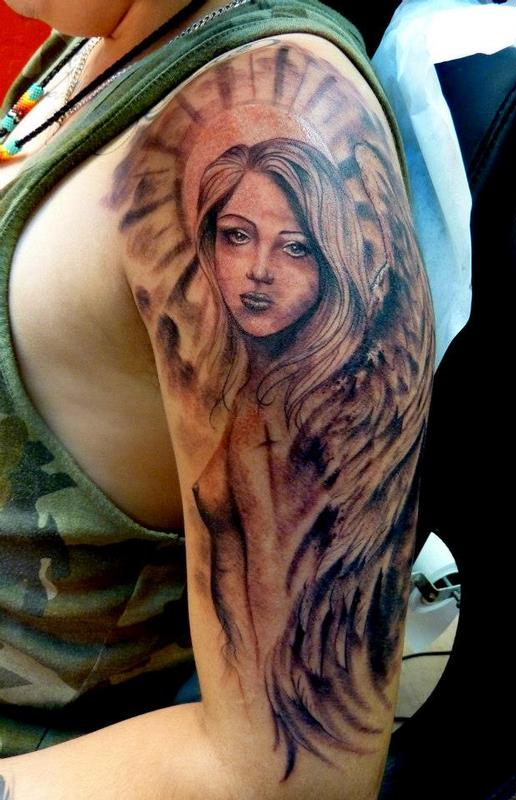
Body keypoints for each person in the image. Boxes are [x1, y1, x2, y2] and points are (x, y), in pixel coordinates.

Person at [0, 1, 434, 797]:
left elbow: (290, 778)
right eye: (238, 237)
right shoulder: (99, 30)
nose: (261, 269)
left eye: (291, 247)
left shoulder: (283, 112)